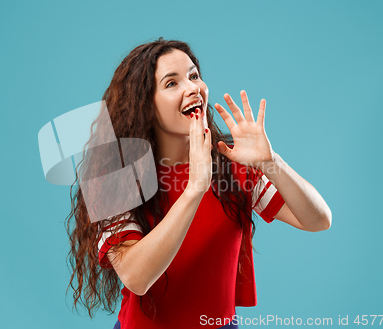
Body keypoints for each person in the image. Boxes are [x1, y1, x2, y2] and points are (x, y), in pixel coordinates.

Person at [65, 38, 332, 329]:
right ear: (145, 106)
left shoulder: (232, 166)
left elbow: (318, 220)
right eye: (171, 83)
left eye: (194, 76)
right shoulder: (116, 176)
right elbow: (136, 277)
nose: (193, 88)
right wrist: (194, 189)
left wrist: (271, 162)